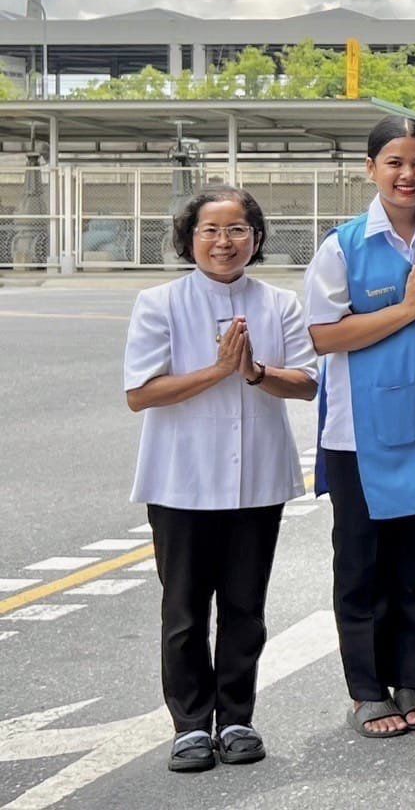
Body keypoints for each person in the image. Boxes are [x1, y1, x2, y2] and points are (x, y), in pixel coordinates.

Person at [125, 187, 318, 771]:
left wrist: (254, 371)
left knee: (244, 608)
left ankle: (236, 718)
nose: (224, 242)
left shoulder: (279, 303)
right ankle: (189, 725)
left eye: (237, 230)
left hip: (257, 478)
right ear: (189, 239)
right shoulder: (159, 302)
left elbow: (307, 382)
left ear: (256, 239)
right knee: (184, 611)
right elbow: (141, 393)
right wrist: (217, 370)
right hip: (180, 479)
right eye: (210, 230)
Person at [305, 116, 415, 739]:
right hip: (360, 433)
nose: (408, 175)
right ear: (370, 168)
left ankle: (409, 676)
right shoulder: (343, 246)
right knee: (362, 564)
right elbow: (324, 335)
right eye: (395, 162)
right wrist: (407, 310)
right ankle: (367, 689)